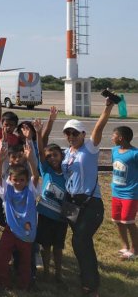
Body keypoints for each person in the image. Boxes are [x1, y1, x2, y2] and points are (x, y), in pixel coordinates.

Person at [61, 95, 116, 296]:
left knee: (79, 241)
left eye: (75, 133)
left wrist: (107, 108)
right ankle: (87, 276)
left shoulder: (89, 148)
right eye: (68, 134)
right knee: (82, 242)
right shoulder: (67, 153)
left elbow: (98, 129)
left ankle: (91, 286)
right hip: (72, 203)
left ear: (82, 134)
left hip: (91, 203)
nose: (71, 136)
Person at [0, 143, 38, 290]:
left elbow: (36, 176)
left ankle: (24, 284)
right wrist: (0, 162)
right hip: (10, 230)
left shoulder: (31, 191)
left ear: (27, 181)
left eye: (22, 180)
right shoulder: (6, 192)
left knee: (25, 261)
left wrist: (30, 159)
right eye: (15, 180)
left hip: (27, 232)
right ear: (10, 180)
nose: (18, 183)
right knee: (1, 257)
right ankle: (3, 282)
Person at [34, 114, 68, 281]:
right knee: (45, 246)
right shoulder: (46, 170)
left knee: (58, 247)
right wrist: (39, 133)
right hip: (45, 216)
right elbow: (40, 152)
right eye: (49, 156)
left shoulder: (67, 174)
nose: (52, 158)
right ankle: (46, 272)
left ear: (61, 156)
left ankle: (59, 272)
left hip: (61, 218)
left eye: (55, 154)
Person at [110, 125, 137, 260]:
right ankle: (125, 246)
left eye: (113, 135)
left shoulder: (135, 154)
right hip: (116, 192)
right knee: (117, 220)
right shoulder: (114, 151)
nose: (112, 137)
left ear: (120, 138)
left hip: (130, 194)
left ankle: (135, 249)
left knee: (128, 221)